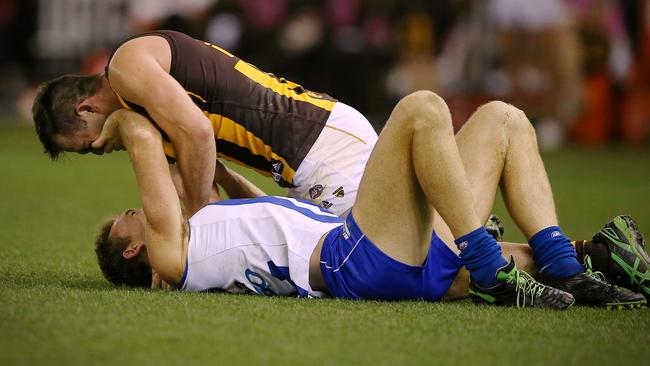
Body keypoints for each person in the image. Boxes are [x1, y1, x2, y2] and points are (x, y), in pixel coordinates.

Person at [94, 91, 645, 309]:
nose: (138, 209)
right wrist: (120, 117)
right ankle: (487, 267)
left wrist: (223, 171)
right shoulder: (171, 257)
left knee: (503, 119)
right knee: (421, 110)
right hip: (359, 259)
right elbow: (141, 138)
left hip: (391, 254)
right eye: (129, 219)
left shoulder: (206, 231)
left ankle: (569, 266)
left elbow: (264, 209)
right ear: (132, 252)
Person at [31, 30, 378, 217]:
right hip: (308, 156)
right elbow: (202, 190)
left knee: (358, 271)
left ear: (84, 110)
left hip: (324, 146)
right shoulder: (150, 108)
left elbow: (197, 133)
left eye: (87, 147)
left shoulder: (126, 66)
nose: (99, 149)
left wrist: (199, 222)